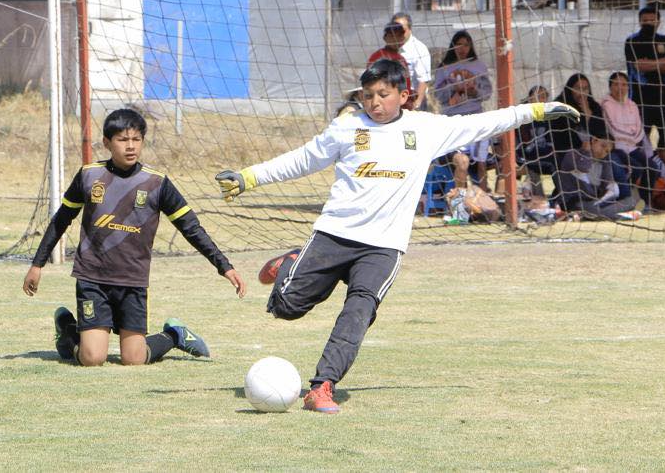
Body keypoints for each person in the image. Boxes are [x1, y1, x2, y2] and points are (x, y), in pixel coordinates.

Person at [214, 58, 579, 414]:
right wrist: (249, 177)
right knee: (285, 308)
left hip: (383, 247)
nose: (375, 102)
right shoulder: (347, 128)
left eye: (384, 94)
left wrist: (536, 110)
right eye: (368, 95)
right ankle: (292, 262)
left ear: (404, 95)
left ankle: (322, 386)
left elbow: (481, 123)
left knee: (359, 310)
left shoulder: (426, 129)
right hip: (333, 236)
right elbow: (303, 159)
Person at [22, 108, 247, 366]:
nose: (130, 146)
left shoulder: (157, 183)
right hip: (93, 277)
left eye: (136, 139)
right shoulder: (89, 176)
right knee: (93, 359)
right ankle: (68, 331)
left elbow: (191, 228)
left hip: (132, 280)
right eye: (122, 140)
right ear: (107, 143)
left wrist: (225, 267)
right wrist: (37, 264)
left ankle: (174, 334)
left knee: (134, 359)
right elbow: (60, 220)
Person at [433, 30, 494, 190]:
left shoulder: (478, 66)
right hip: (453, 119)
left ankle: (482, 196)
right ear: (453, 46)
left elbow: (487, 93)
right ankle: (461, 199)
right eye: (459, 44)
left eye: (466, 45)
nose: (462, 48)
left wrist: (474, 90)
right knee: (461, 162)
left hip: (475, 117)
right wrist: (455, 88)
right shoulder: (444, 68)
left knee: (480, 161)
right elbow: (439, 96)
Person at [556, 121, 639, 221]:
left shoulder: (604, 163)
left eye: (607, 151)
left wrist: (609, 191)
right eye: (603, 146)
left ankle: (587, 215)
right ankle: (621, 216)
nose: (603, 152)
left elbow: (609, 184)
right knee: (590, 209)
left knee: (630, 201)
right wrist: (586, 152)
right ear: (594, 140)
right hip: (574, 201)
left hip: (596, 202)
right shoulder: (572, 155)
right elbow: (583, 168)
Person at [624, 4, 665, 147]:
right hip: (640, 100)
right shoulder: (632, 41)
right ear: (640, 22)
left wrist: (651, 64)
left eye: (652, 20)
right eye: (645, 20)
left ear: (658, 22)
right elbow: (639, 66)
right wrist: (662, 62)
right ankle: (643, 169)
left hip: (664, 99)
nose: (649, 23)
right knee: (640, 141)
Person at [600, 71, 648, 197]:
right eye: (616, 84)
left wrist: (633, 139)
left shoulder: (632, 105)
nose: (620, 88)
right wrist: (628, 136)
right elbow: (613, 127)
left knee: (651, 167)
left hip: (632, 145)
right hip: (616, 146)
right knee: (636, 167)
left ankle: (646, 200)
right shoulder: (606, 104)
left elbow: (639, 128)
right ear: (610, 86)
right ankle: (625, 195)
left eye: (624, 85)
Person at [549, 73, 604, 157]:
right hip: (569, 152)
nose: (582, 92)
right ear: (570, 89)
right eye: (578, 88)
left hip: (595, 150)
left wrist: (588, 113)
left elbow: (601, 132)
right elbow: (559, 136)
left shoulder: (594, 106)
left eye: (585, 88)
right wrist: (581, 146)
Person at [517, 85, 555, 197]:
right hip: (528, 152)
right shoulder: (524, 116)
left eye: (544, 96)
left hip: (547, 152)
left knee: (560, 161)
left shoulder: (550, 116)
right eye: (538, 96)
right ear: (530, 99)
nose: (541, 99)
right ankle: (537, 195)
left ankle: (557, 196)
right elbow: (523, 142)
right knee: (533, 166)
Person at [391, 12, 432, 111]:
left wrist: (416, 105)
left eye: (402, 29)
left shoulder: (419, 49)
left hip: (411, 104)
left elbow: (423, 80)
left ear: (409, 29)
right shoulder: (390, 48)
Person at [366, 21, 413, 108]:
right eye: (392, 36)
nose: (396, 39)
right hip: (388, 106)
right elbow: (373, 85)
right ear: (385, 37)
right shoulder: (378, 57)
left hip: (404, 103)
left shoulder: (401, 58)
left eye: (399, 36)